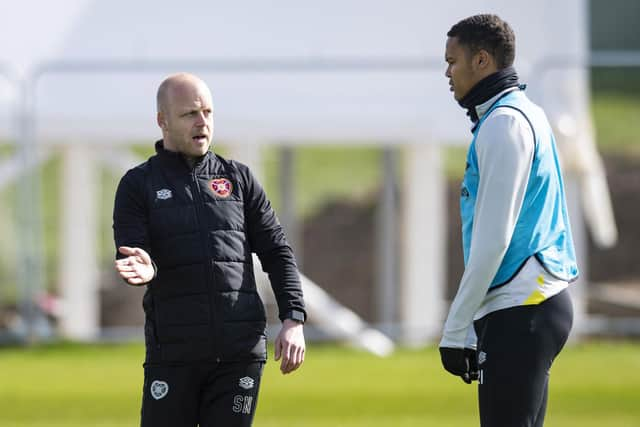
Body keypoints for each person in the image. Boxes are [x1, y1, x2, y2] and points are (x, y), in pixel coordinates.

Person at [113, 72, 306, 427]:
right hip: (173, 355)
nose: (202, 122)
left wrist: (293, 317)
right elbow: (132, 248)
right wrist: (146, 267)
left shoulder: (239, 179)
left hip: (239, 354)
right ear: (163, 121)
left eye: (208, 112)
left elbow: (277, 251)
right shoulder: (137, 185)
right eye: (189, 114)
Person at [439, 14, 578, 427]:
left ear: (482, 61)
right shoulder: (519, 112)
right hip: (531, 303)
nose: (447, 72)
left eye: (452, 60)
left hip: (522, 307)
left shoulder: (504, 123)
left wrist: (455, 326)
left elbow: (494, 239)